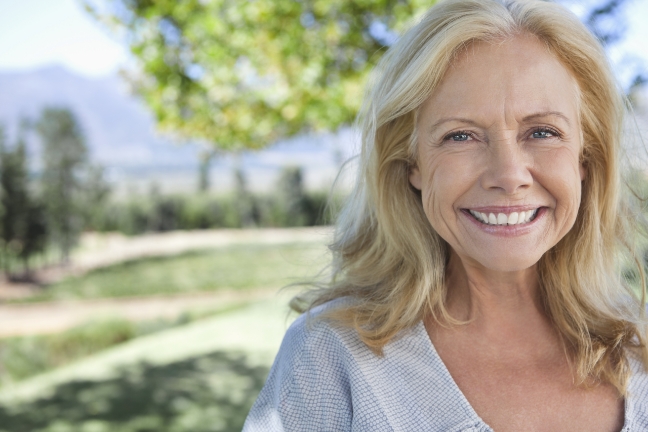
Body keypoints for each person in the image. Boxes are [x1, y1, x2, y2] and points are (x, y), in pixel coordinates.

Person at [243, 0, 648, 430]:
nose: (509, 176)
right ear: (411, 162)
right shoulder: (329, 356)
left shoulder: (638, 350)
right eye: (461, 135)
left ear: (586, 159)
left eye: (543, 132)